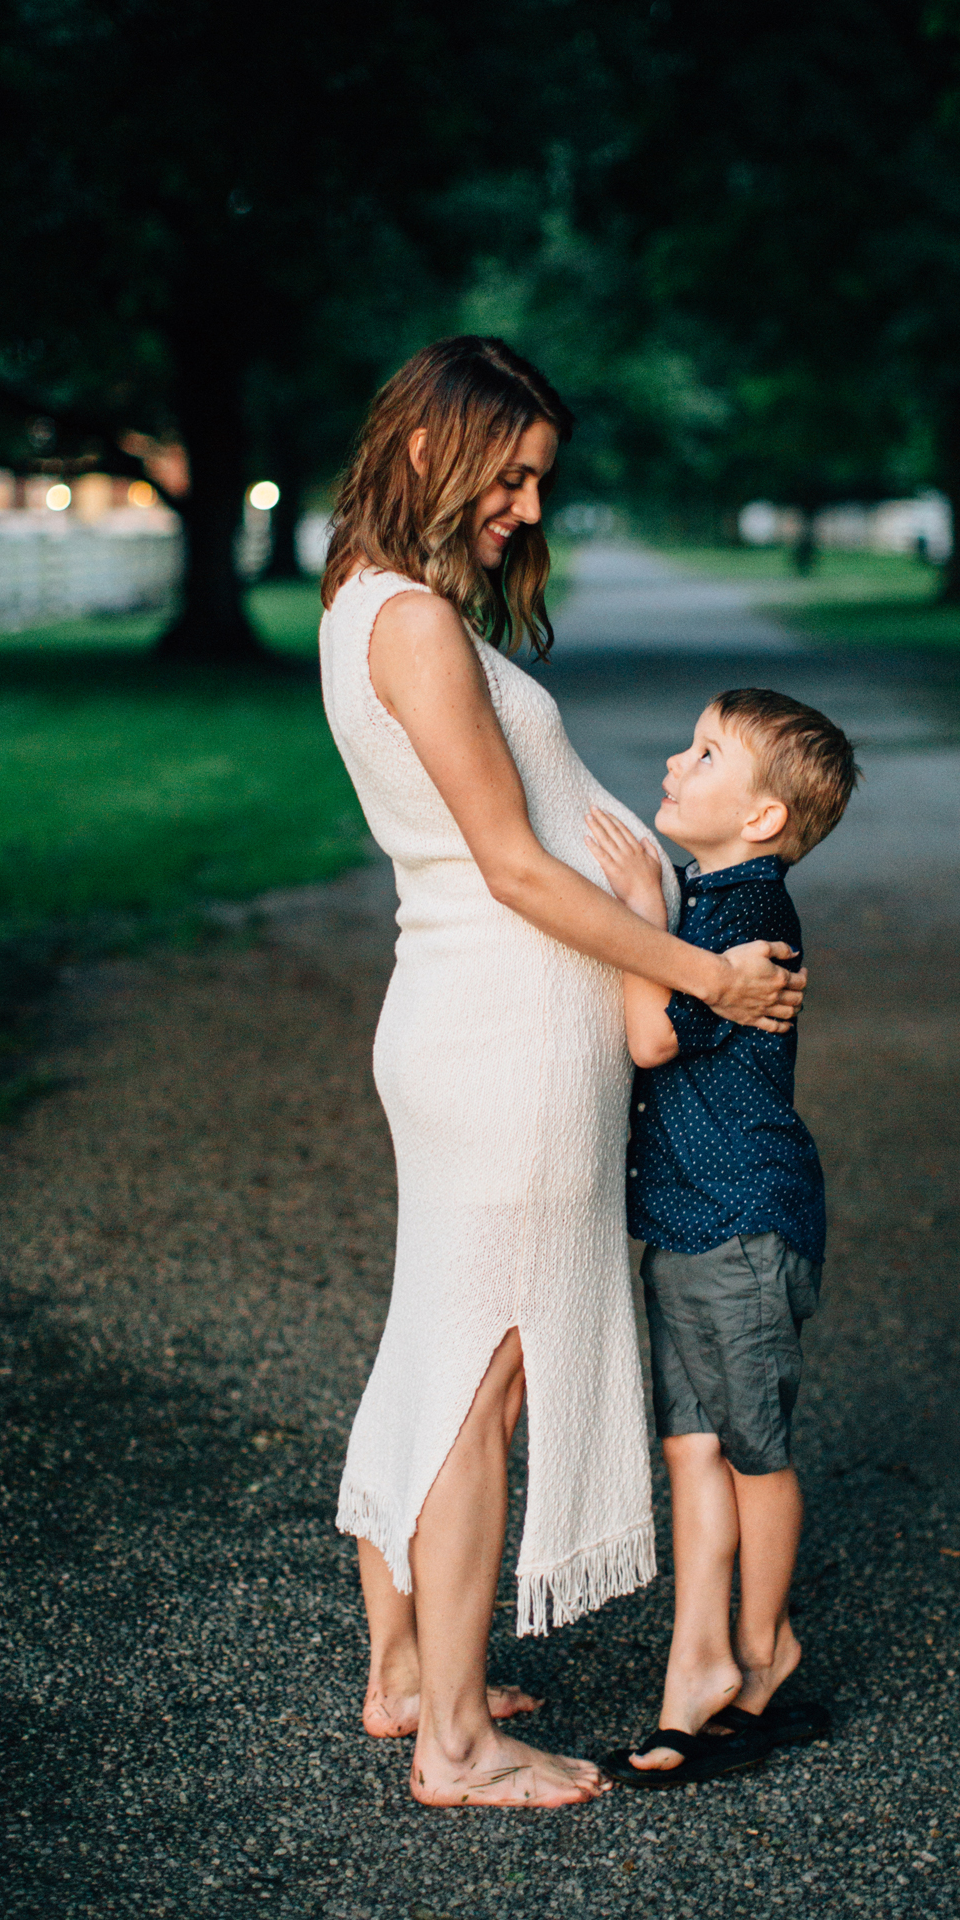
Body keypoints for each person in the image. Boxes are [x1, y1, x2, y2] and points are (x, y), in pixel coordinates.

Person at [317, 339, 808, 1809]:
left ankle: (409, 1673)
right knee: (486, 1375)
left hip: (467, 1024)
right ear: (428, 447)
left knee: (440, 1347)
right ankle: (459, 1744)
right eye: (513, 474)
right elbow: (518, 868)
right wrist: (705, 976)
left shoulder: (368, 604)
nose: (528, 507)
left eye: (540, 480)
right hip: (504, 1038)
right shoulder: (413, 624)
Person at [583, 688, 857, 1787]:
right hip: (689, 1219)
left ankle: (763, 1646)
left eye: (705, 754)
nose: (674, 761)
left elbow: (652, 1037)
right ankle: (698, 1667)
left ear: (761, 818)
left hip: (741, 1220)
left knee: (751, 1451)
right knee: (691, 1446)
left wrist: (631, 913)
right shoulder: (713, 898)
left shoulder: (744, 914)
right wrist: (657, 915)